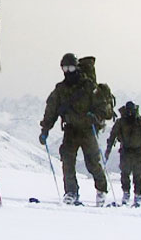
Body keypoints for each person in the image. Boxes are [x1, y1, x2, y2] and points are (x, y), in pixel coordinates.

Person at [38, 53, 109, 206]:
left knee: (92, 163)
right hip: (71, 130)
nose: (68, 71)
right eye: (64, 68)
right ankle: (71, 192)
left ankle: (101, 190)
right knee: (67, 161)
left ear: (76, 67)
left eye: (70, 67)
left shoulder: (89, 87)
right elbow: (51, 109)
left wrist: (95, 117)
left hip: (88, 130)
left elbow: (103, 107)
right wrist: (45, 129)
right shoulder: (60, 89)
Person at [104, 101, 141, 206]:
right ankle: (132, 195)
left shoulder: (137, 121)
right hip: (129, 150)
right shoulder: (133, 121)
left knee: (135, 175)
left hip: (134, 151)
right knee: (128, 174)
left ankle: (134, 195)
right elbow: (113, 135)